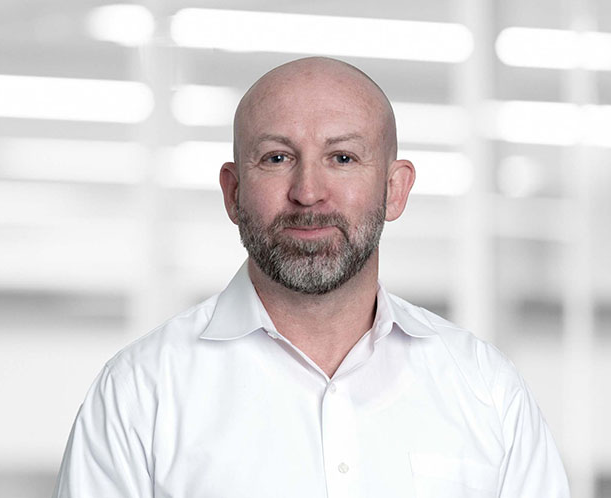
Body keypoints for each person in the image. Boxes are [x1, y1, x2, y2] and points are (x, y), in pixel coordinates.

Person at [52, 57, 570, 497]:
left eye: (342, 158)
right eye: (277, 158)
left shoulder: (487, 390)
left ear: (395, 190)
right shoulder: (139, 392)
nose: (307, 192)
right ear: (233, 192)